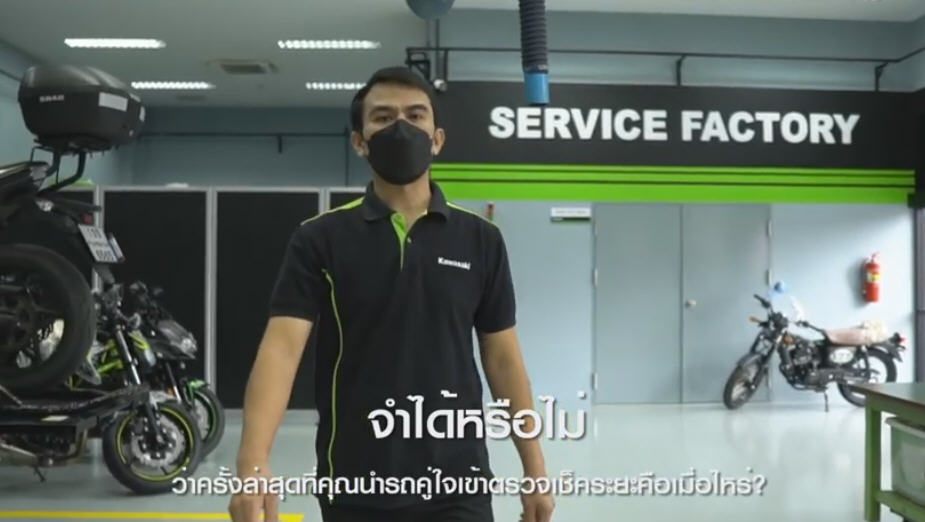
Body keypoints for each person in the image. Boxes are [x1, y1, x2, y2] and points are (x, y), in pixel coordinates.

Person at [228, 66, 555, 522]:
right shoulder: (320, 238)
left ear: (437, 139)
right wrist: (252, 466)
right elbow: (282, 351)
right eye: (382, 118)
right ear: (359, 141)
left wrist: (535, 468)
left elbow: (503, 359)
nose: (401, 128)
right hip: (356, 483)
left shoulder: (480, 239)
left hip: (458, 483)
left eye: (415, 116)